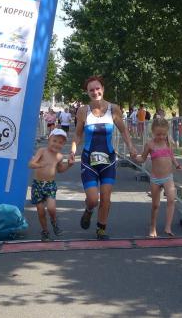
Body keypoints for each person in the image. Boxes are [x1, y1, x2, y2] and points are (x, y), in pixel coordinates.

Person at [70, 75, 137, 240]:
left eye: (97, 88)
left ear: (103, 89)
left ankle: (101, 229)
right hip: (88, 161)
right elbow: (77, 135)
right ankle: (89, 210)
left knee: (106, 198)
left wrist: (131, 147)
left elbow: (123, 130)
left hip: (108, 160)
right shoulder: (83, 111)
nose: (95, 92)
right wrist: (72, 152)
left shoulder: (113, 109)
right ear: (87, 92)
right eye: (91, 90)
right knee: (93, 199)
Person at [135, 117, 182, 237]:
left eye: (163, 134)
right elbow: (143, 158)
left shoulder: (168, 143)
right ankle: (153, 227)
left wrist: (177, 164)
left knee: (171, 200)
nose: (161, 137)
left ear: (167, 132)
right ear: (153, 132)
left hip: (168, 177)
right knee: (155, 205)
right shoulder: (150, 144)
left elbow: (171, 156)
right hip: (155, 179)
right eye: (158, 134)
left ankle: (168, 227)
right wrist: (135, 157)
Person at [28, 128, 74, 241]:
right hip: (37, 185)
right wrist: (39, 165)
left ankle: (54, 221)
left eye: (60, 142)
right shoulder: (42, 151)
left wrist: (69, 165)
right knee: (40, 211)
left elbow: (60, 170)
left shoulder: (59, 156)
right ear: (49, 139)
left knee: (51, 208)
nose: (57, 144)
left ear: (63, 144)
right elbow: (31, 164)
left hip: (50, 185)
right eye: (54, 140)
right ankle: (45, 231)